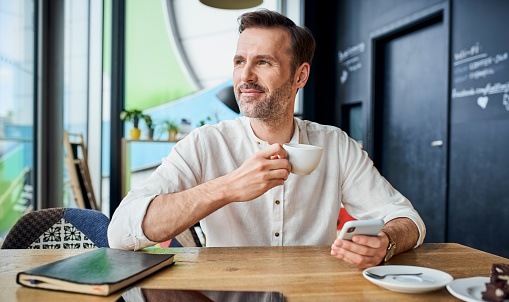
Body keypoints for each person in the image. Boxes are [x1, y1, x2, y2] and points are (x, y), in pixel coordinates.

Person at [108, 9, 425, 268]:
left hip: (314, 301)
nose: (244, 76)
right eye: (239, 62)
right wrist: (228, 187)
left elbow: (407, 218)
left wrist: (386, 243)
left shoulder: (336, 145)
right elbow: (121, 232)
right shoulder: (204, 144)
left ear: (300, 75)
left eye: (263, 62)